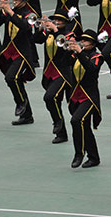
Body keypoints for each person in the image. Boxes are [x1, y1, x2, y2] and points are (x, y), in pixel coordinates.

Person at [0, 0, 36, 125]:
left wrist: (9, 11)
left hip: (22, 54)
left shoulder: (30, 14)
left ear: (25, 0)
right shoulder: (10, 12)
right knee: (15, 81)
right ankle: (27, 115)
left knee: (11, 78)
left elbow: (25, 26)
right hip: (9, 52)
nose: (15, 1)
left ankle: (21, 103)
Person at [34, 11, 75, 143]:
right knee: (53, 102)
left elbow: (65, 47)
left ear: (65, 22)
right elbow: (36, 39)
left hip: (63, 74)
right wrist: (40, 28)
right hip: (49, 73)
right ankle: (61, 132)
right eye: (55, 20)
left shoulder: (69, 35)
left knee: (49, 97)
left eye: (59, 20)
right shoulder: (49, 33)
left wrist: (56, 30)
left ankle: (59, 124)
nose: (56, 22)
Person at [65, 29, 104, 169]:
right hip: (75, 96)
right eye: (82, 40)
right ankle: (94, 157)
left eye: (86, 41)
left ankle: (79, 153)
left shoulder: (97, 56)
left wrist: (80, 53)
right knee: (85, 128)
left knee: (76, 121)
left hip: (89, 98)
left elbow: (91, 69)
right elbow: (63, 62)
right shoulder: (75, 54)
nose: (82, 42)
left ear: (93, 43)